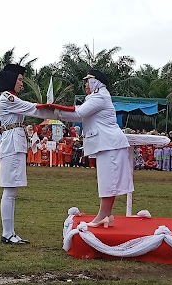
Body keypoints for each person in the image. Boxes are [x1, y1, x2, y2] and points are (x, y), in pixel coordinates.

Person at [54, 70, 132, 228]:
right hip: (108, 144)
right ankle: (107, 214)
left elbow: (79, 113)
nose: (85, 85)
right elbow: (79, 111)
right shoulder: (98, 97)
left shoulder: (100, 96)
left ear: (96, 82)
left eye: (88, 81)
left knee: (108, 181)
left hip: (110, 144)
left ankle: (103, 215)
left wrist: (55, 111)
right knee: (108, 181)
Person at [0, 63, 57, 244]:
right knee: (10, 189)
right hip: (12, 144)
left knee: (12, 190)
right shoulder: (7, 98)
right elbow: (32, 108)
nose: (21, 83)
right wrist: (58, 111)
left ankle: (10, 232)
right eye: (20, 80)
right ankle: (7, 233)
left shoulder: (10, 97)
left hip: (15, 141)